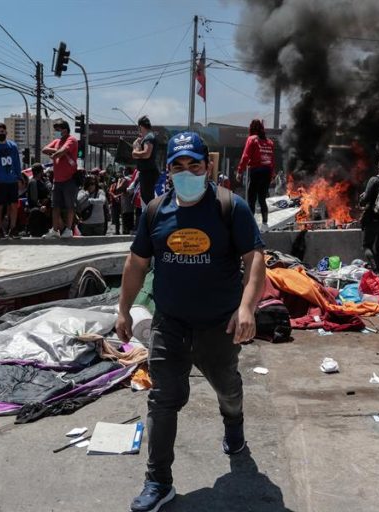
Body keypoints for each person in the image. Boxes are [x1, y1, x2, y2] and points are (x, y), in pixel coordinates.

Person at [116, 132, 266, 512]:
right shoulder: (155, 211)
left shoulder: (230, 207)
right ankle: (158, 482)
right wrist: (123, 310)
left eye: (193, 165)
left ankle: (234, 425)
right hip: (171, 324)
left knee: (227, 387)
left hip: (219, 325)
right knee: (163, 400)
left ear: (208, 166)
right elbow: (136, 263)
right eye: (178, 166)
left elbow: (255, 260)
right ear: (168, 170)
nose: (186, 172)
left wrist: (247, 308)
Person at [42, 120, 79, 238]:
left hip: (69, 180)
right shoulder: (57, 141)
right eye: (56, 129)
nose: (58, 132)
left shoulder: (71, 140)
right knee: (55, 206)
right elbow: (44, 149)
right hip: (57, 181)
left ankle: (68, 229)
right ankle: (55, 230)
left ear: (66, 129)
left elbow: (62, 152)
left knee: (70, 206)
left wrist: (58, 153)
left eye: (59, 129)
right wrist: (56, 152)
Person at [237, 119, 276, 228]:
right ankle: (265, 224)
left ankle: (250, 225)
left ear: (251, 128)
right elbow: (272, 160)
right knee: (262, 199)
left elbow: (245, 156)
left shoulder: (251, 139)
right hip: (267, 172)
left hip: (256, 171)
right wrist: (272, 174)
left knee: (252, 198)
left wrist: (240, 171)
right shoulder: (270, 142)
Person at [131, 115, 159, 206]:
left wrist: (135, 151)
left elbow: (147, 154)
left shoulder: (149, 137)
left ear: (140, 127)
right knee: (146, 202)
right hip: (147, 174)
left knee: (148, 203)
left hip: (148, 174)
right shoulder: (148, 137)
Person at [26, 164, 51, 237]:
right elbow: (34, 199)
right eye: (41, 171)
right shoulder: (33, 182)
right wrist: (40, 206)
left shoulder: (42, 181)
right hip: (37, 208)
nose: (43, 172)